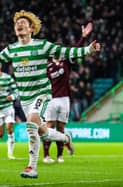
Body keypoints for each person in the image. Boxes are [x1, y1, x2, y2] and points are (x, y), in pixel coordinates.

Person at [0, 10, 100, 178]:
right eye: (16, 24)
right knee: (42, 132)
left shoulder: (42, 45)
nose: (19, 25)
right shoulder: (11, 49)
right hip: (25, 99)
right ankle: (66, 138)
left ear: (31, 29)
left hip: (42, 94)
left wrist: (88, 49)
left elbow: (67, 52)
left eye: (23, 23)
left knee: (30, 125)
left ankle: (32, 167)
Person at [43, 22, 93, 164]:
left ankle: (59, 155)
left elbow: (76, 51)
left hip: (64, 99)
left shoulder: (66, 62)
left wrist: (83, 37)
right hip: (51, 99)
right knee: (49, 127)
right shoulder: (47, 66)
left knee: (60, 129)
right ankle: (46, 155)